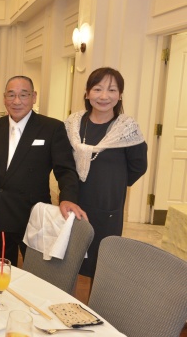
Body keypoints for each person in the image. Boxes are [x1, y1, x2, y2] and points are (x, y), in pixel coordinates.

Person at [0, 75, 86, 266]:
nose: (17, 101)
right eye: (11, 95)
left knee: (36, 270)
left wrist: (68, 197)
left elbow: (65, 169)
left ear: (34, 97)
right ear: (4, 98)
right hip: (1, 212)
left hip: (34, 214)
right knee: (1, 268)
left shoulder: (51, 128)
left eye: (23, 95)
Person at [65, 67, 147, 279]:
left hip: (107, 207)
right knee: (68, 260)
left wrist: (113, 183)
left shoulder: (126, 128)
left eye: (111, 90)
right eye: (97, 89)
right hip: (75, 202)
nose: (104, 96)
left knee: (100, 265)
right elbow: (63, 162)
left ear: (120, 95)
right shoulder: (73, 123)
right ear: (87, 93)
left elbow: (138, 165)